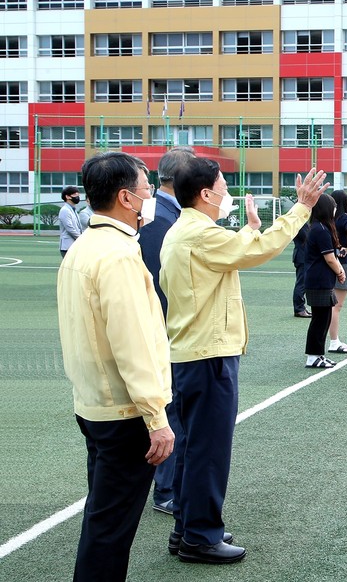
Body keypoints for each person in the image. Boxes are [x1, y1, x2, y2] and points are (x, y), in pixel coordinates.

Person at [160, 159, 327, 564]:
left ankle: (189, 527)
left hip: (193, 353)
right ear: (205, 194)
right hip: (208, 355)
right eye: (222, 185)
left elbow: (236, 250)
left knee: (193, 448)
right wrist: (301, 208)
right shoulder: (200, 234)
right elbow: (258, 250)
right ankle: (200, 535)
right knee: (209, 450)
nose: (226, 192)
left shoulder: (184, 231)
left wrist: (251, 229)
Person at [57, 152, 174, 582]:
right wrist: (156, 417)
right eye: (146, 190)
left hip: (93, 404)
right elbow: (134, 344)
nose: (151, 197)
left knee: (103, 516)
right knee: (110, 529)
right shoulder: (119, 255)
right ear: (126, 197)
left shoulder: (87, 246)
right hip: (124, 412)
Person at [137, 146, 195, 516]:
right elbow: (163, 284)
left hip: (167, 329)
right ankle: (166, 490)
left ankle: (169, 485)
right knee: (170, 412)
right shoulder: (161, 219)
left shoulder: (166, 213)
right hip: (164, 331)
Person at [304, 194, 347, 368]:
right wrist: (340, 272)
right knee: (320, 319)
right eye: (333, 206)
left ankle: (318, 355)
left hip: (321, 280)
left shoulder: (320, 228)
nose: (335, 209)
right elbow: (329, 258)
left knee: (323, 318)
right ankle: (313, 356)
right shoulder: (320, 230)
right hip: (319, 281)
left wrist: (339, 270)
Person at [329, 189, 347, 354]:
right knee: (336, 306)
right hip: (342, 263)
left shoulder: (328, 219)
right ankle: (334, 341)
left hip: (328, 261)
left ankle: (332, 340)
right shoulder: (346, 218)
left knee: (328, 304)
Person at [58, 185, 83, 257]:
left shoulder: (73, 210)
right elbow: (70, 228)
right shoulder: (65, 210)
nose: (77, 196)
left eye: (78, 194)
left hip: (74, 245)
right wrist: (81, 238)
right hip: (67, 246)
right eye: (74, 194)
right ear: (67, 197)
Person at [292, 224, 311, 318]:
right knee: (301, 284)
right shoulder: (300, 223)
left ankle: (300, 308)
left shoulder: (300, 222)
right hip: (302, 257)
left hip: (301, 256)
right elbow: (308, 238)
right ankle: (299, 309)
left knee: (302, 283)